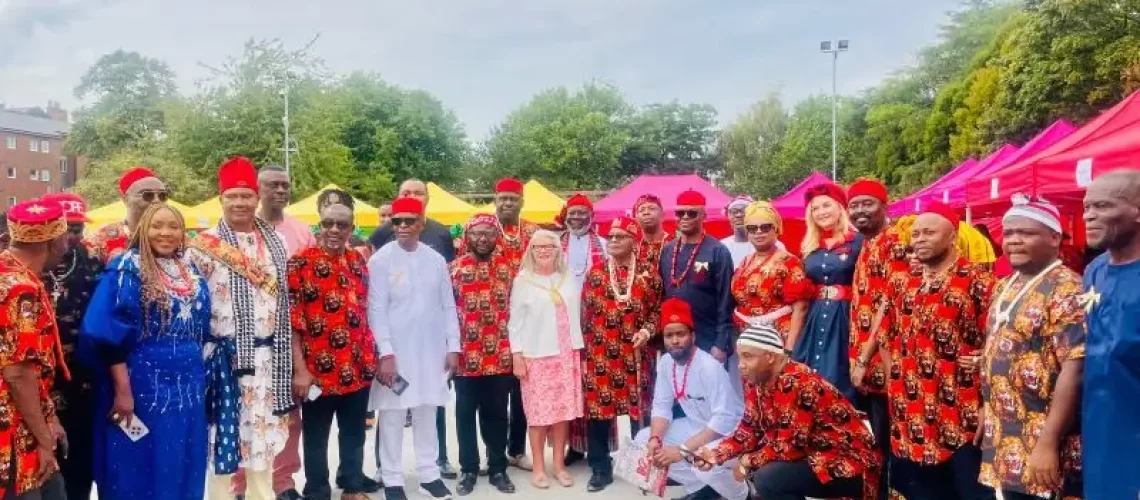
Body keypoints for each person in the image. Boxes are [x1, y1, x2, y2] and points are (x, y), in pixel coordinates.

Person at [79, 203, 209, 499]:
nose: (165, 233)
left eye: (173, 226)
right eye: (157, 226)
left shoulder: (190, 269)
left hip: (189, 384)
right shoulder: (126, 268)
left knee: (183, 455)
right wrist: (122, 390)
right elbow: (105, 334)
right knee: (140, 461)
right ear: (143, 230)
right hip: (143, 384)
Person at [187, 157, 296, 500]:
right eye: (232, 196)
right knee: (220, 441)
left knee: (262, 444)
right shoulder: (203, 246)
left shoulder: (277, 242)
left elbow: (285, 302)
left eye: (246, 195)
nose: (239, 202)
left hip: (268, 360)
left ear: (256, 198)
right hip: (223, 359)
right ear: (221, 199)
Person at [875, 202, 995, 500]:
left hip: (961, 412)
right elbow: (886, 336)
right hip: (909, 412)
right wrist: (895, 380)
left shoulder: (979, 282)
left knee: (970, 491)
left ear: (953, 236)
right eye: (915, 234)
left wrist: (986, 404)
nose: (919, 240)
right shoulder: (902, 284)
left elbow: (995, 344)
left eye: (929, 232)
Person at [978, 196, 1084, 500]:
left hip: (1044, 438)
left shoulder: (1068, 288)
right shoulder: (1004, 285)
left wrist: (1049, 442)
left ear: (1054, 238)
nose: (1013, 241)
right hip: (1006, 432)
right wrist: (989, 407)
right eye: (1009, 233)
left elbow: (1074, 368)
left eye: (1025, 233)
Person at [700, 323, 881, 500]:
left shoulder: (798, 382)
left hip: (849, 462)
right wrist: (716, 455)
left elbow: (789, 447)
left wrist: (746, 462)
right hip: (812, 456)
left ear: (770, 356)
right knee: (765, 471)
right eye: (740, 358)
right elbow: (749, 428)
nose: (741, 365)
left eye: (748, 357)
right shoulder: (756, 379)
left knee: (768, 478)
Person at [227, 163, 314, 500]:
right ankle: (240, 485)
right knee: (242, 413)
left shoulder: (301, 232)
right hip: (247, 340)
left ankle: (284, 482)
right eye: (273, 185)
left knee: (288, 414)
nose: (281, 191)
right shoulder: (243, 231)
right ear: (257, 190)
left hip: (291, 337)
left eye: (285, 185)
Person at [367, 196, 458, 500]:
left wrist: (453, 346)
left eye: (409, 221)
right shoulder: (380, 260)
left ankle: (428, 474)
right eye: (397, 221)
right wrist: (386, 353)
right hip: (396, 355)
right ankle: (392, 478)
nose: (402, 227)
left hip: (431, 350)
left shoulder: (434, 260)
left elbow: (448, 305)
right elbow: (376, 310)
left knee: (427, 410)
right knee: (392, 414)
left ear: (422, 223)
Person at [286, 202, 378, 500]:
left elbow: (366, 312)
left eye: (342, 224)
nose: (334, 230)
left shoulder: (358, 262)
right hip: (316, 374)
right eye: (328, 223)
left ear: (352, 229)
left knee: (353, 432)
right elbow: (293, 322)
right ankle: (317, 490)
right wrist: (300, 370)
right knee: (316, 436)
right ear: (319, 225)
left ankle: (351, 486)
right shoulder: (300, 263)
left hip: (357, 367)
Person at [579, 216, 662, 491]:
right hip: (601, 354)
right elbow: (585, 316)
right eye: (611, 236)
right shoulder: (596, 274)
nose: (613, 240)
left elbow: (658, 311)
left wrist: (648, 332)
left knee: (642, 413)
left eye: (621, 236)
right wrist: (586, 354)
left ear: (634, 242)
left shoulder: (649, 274)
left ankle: (643, 466)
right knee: (600, 412)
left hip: (638, 354)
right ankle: (600, 469)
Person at [634, 298, 745, 500]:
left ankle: (742, 495)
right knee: (643, 441)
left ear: (692, 336)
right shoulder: (667, 363)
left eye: (680, 334)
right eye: (669, 335)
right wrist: (655, 438)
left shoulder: (709, 367)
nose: (675, 340)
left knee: (703, 459)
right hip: (697, 426)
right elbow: (661, 406)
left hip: (730, 433)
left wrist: (682, 450)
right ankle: (701, 489)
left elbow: (724, 419)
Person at [0, 200, 70, 499]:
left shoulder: (8, 271)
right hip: (14, 432)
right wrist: (44, 441)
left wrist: (50, 417)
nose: (69, 243)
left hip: (27, 418)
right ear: (54, 242)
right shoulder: (20, 288)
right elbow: (18, 373)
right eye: (66, 235)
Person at [507, 230, 584, 489]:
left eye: (548, 247)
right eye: (538, 247)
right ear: (531, 250)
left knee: (563, 413)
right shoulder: (523, 281)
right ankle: (539, 468)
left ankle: (559, 465)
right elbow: (514, 323)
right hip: (536, 355)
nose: (543, 251)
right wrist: (517, 355)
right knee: (538, 415)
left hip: (566, 354)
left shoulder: (567, 277)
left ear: (557, 250)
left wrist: (579, 351)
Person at [1080, 169, 1140, 500]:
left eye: (1102, 206)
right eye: (1087, 206)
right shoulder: (1094, 271)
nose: (1089, 215)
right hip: (1100, 437)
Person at [39, 193, 103, 500]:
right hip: (36, 375)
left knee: (79, 454)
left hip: (81, 375)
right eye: (69, 228)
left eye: (79, 228)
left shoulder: (92, 262)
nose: (75, 236)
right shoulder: (29, 263)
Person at [845, 178, 904, 500]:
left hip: (884, 362)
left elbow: (889, 304)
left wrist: (865, 358)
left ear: (885, 205)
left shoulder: (895, 240)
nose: (859, 211)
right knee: (877, 439)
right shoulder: (867, 242)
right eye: (854, 206)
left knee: (888, 440)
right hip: (867, 364)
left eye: (867, 204)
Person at [450, 214, 517, 495]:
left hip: (500, 356)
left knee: (497, 415)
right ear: (467, 236)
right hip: (465, 358)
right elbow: (444, 314)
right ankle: (468, 468)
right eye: (477, 233)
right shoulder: (453, 270)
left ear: (496, 236)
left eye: (488, 233)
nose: (482, 239)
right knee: (464, 414)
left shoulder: (511, 269)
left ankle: (498, 467)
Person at [729, 201, 810, 396]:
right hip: (749, 339)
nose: (759, 232)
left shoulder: (789, 261)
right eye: (752, 228)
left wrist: (790, 349)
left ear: (776, 229)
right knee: (753, 391)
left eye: (765, 227)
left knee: (778, 390)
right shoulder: (745, 262)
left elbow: (801, 307)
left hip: (777, 338)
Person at [487, 177, 540, 471]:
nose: (507, 203)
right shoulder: (482, 229)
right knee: (495, 394)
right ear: (496, 199)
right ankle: (494, 453)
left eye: (512, 198)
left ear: (521, 202)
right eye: (503, 198)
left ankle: (516, 450)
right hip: (490, 324)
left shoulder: (533, 232)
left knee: (522, 392)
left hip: (528, 325)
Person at [795, 183, 863, 402]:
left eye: (826, 205)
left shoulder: (858, 241)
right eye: (815, 209)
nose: (821, 212)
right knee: (810, 376)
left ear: (840, 208)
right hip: (816, 318)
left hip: (845, 317)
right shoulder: (810, 246)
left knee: (839, 376)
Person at [659, 190, 735, 364]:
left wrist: (721, 343)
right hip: (676, 343)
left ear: (704, 216)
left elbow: (726, 300)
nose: (685, 217)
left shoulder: (718, 251)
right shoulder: (668, 250)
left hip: (708, 340)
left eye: (691, 213)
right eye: (680, 213)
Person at [560, 193, 608, 466]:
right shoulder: (555, 245)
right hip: (563, 329)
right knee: (570, 388)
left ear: (591, 217)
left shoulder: (603, 245)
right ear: (565, 215)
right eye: (573, 212)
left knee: (595, 389)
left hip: (597, 329)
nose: (577, 217)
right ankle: (574, 447)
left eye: (582, 213)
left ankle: (597, 449)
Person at [87, 167, 168, 264]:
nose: (157, 200)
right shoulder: (102, 237)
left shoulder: (173, 237)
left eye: (162, 196)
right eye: (148, 195)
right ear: (125, 199)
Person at [634, 194, 673, 269]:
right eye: (641, 210)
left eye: (651, 208)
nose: (646, 212)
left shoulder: (675, 244)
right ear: (636, 218)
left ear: (662, 214)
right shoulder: (633, 248)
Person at [720, 196, 755, 267]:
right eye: (733, 212)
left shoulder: (770, 244)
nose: (738, 215)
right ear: (728, 216)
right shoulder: (721, 246)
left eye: (744, 211)